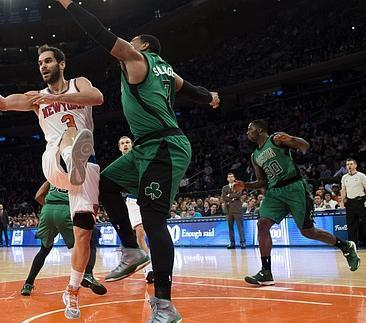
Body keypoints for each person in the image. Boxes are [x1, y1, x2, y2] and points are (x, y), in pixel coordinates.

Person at [54, 1, 220, 321]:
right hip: (146, 147)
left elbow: (100, 33)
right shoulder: (167, 72)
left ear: (144, 46)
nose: (128, 42)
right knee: (104, 184)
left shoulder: (137, 58)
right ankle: (131, 249)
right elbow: (194, 90)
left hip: (165, 145)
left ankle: (164, 304)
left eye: (133, 40)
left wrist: (70, 5)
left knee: (154, 221)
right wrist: (210, 97)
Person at [0, 44, 103, 320]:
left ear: (61, 64)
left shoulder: (78, 83)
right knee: (70, 135)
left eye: (49, 61)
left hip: (85, 169)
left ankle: (72, 291)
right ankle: (71, 156)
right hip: (54, 160)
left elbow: (97, 98)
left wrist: (52, 101)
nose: (43, 65)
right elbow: (3, 103)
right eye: (40, 62)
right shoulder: (35, 98)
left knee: (84, 235)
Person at [233, 120, 360, 286]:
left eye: (250, 129)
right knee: (262, 224)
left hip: (294, 187)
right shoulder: (254, 156)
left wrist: (292, 139)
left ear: (260, 129)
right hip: (274, 192)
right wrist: (246, 185)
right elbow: (262, 182)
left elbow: (305, 146)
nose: (247, 132)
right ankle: (266, 271)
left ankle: (345, 246)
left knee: (308, 231)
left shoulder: (276, 139)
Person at [20, 181, 106, 296]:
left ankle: (28, 284)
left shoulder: (54, 176)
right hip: (66, 209)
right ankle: (88, 275)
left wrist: (50, 208)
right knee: (88, 242)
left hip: (47, 211)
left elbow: (38, 196)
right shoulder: (79, 175)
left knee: (44, 250)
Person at [118, 135, 154, 283]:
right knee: (139, 231)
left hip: (146, 198)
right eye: (122, 143)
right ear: (120, 148)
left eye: (127, 142)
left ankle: (161, 267)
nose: (125, 145)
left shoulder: (140, 159)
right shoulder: (118, 165)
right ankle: (148, 269)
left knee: (152, 232)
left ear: (132, 145)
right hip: (132, 201)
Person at [340, 158, 366, 251]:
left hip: (361, 201)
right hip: (350, 202)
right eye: (347, 164)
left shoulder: (361, 175)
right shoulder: (344, 177)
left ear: (355, 165)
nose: (349, 166)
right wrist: (342, 201)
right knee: (351, 225)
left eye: (351, 164)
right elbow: (343, 190)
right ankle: (353, 246)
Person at [221, 173, 245, 249]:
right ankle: (232, 243)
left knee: (240, 227)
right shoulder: (224, 187)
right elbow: (223, 197)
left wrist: (229, 196)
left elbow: (238, 195)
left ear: (234, 178)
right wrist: (232, 197)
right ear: (227, 179)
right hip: (228, 210)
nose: (230, 178)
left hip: (237, 209)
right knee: (230, 227)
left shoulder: (238, 185)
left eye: (232, 177)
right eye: (229, 177)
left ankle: (242, 242)